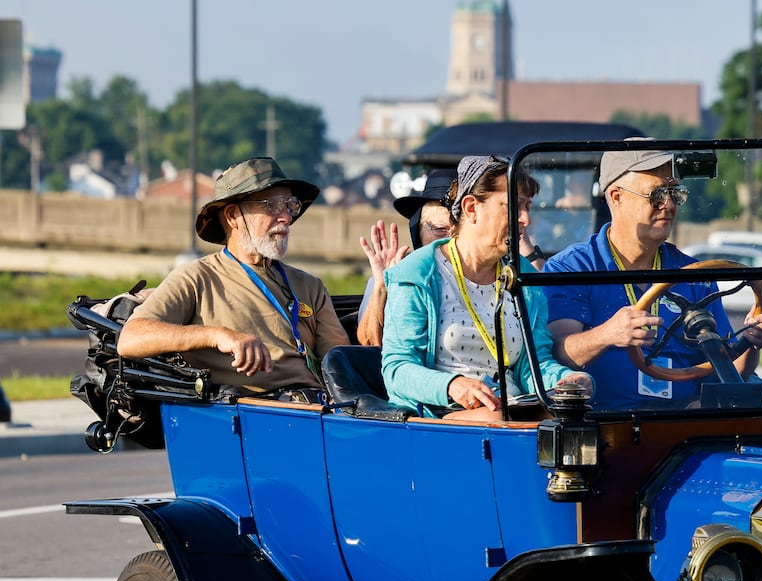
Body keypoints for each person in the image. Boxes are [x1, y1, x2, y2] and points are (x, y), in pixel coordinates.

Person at [543, 144, 762, 410]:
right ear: (616, 197)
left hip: (683, 420)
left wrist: (752, 342)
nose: (668, 204)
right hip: (605, 424)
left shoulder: (695, 274)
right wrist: (608, 333)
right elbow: (559, 353)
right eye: (656, 195)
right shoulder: (573, 268)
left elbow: (729, 369)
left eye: (674, 193)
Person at [380, 154, 589, 421]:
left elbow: (533, 365)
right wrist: (453, 385)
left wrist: (566, 380)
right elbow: (397, 370)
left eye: (528, 206)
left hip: (512, 409)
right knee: (500, 422)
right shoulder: (418, 273)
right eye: (514, 206)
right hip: (439, 415)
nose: (526, 219)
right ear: (471, 208)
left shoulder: (523, 277)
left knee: (570, 421)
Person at [119, 156, 348, 398]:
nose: (287, 218)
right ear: (232, 216)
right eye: (271, 205)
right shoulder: (197, 278)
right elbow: (131, 339)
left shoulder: (310, 286)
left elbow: (342, 365)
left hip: (318, 408)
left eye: (289, 205)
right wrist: (216, 335)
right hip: (255, 414)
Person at [355, 168, 457, 347]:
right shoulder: (395, 274)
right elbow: (369, 345)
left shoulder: (487, 277)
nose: (450, 239)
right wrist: (383, 287)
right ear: (418, 230)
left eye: (459, 230)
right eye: (440, 229)